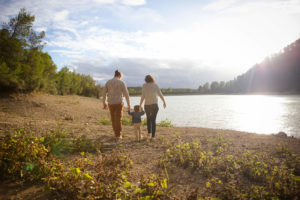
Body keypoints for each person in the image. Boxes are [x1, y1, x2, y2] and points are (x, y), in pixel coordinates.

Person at [103, 70, 130, 141]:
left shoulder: (108, 82)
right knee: (118, 118)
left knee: (113, 118)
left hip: (110, 103)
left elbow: (104, 94)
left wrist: (104, 103)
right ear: (120, 76)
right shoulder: (121, 82)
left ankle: (116, 133)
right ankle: (118, 135)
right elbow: (126, 94)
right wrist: (128, 104)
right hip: (118, 102)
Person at [139, 75, 166, 140]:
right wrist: (164, 102)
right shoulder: (155, 85)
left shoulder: (144, 86)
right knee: (153, 120)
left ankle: (149, 133)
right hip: (154, 105)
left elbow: (143, 96)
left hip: (147, 105)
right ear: (152, 79)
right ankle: (153, 137)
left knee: (148, 119)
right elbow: (160, 94)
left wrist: (140, 104)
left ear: (146, 80)